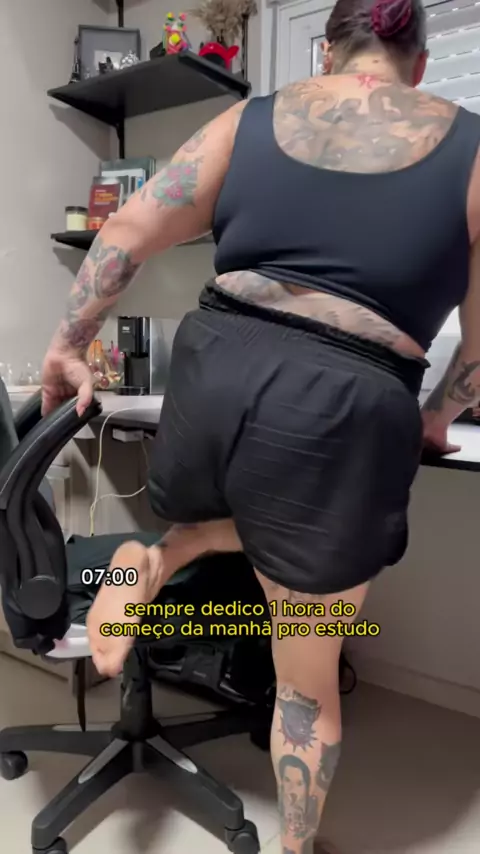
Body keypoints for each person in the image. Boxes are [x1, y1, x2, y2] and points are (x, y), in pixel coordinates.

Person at [41, 0, 480, 847]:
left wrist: (67, 345)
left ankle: (158, 555)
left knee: (248, 518)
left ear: (327, 52)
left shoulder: (248, 120)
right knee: (305, 682)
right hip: (343, 404)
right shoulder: (472, 150)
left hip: (213, 373)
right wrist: (439, 414)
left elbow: (128, 230)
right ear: (421, 64)